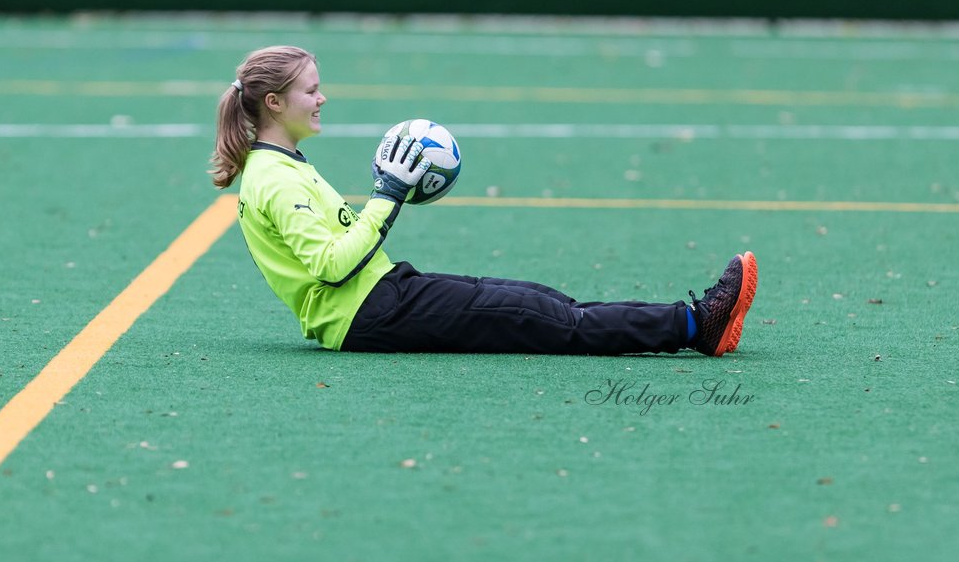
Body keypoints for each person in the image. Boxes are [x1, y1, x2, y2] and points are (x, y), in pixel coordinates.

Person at [210, 45, 757, 357]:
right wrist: (388, 195)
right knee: (541, 318)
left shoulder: (284, 166)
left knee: (538, 299)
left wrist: (387, 197)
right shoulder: (273, 180)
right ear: (276, 103)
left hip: (384, 293)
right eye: (311, 90)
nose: (322, 97)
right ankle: (694, 324)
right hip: (366, 313)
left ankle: (687, 323)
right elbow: (330, 268)